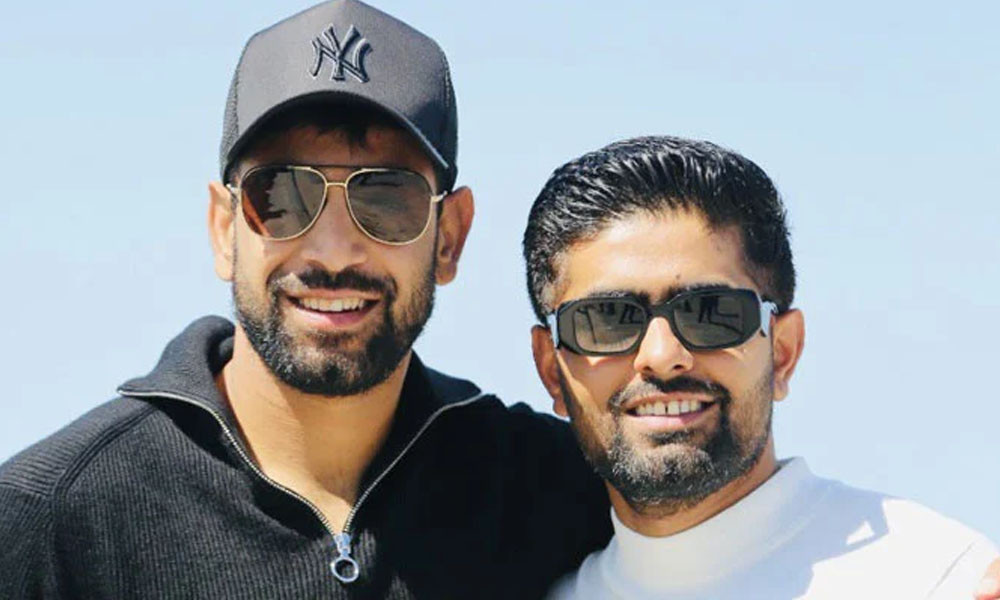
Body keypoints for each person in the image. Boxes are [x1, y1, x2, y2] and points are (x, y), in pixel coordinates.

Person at [0, 2, 610, 598]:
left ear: (449, 238)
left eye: (386, 199)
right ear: (223, 229)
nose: (335, 251)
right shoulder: (48, 521)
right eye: (282, 196)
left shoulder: (562, 495)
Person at [522, 135, 1000, 599]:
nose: (662, 356)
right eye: (606, 320)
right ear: (551, 371)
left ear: (783, 353)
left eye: (710, 313)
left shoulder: (934, 578)